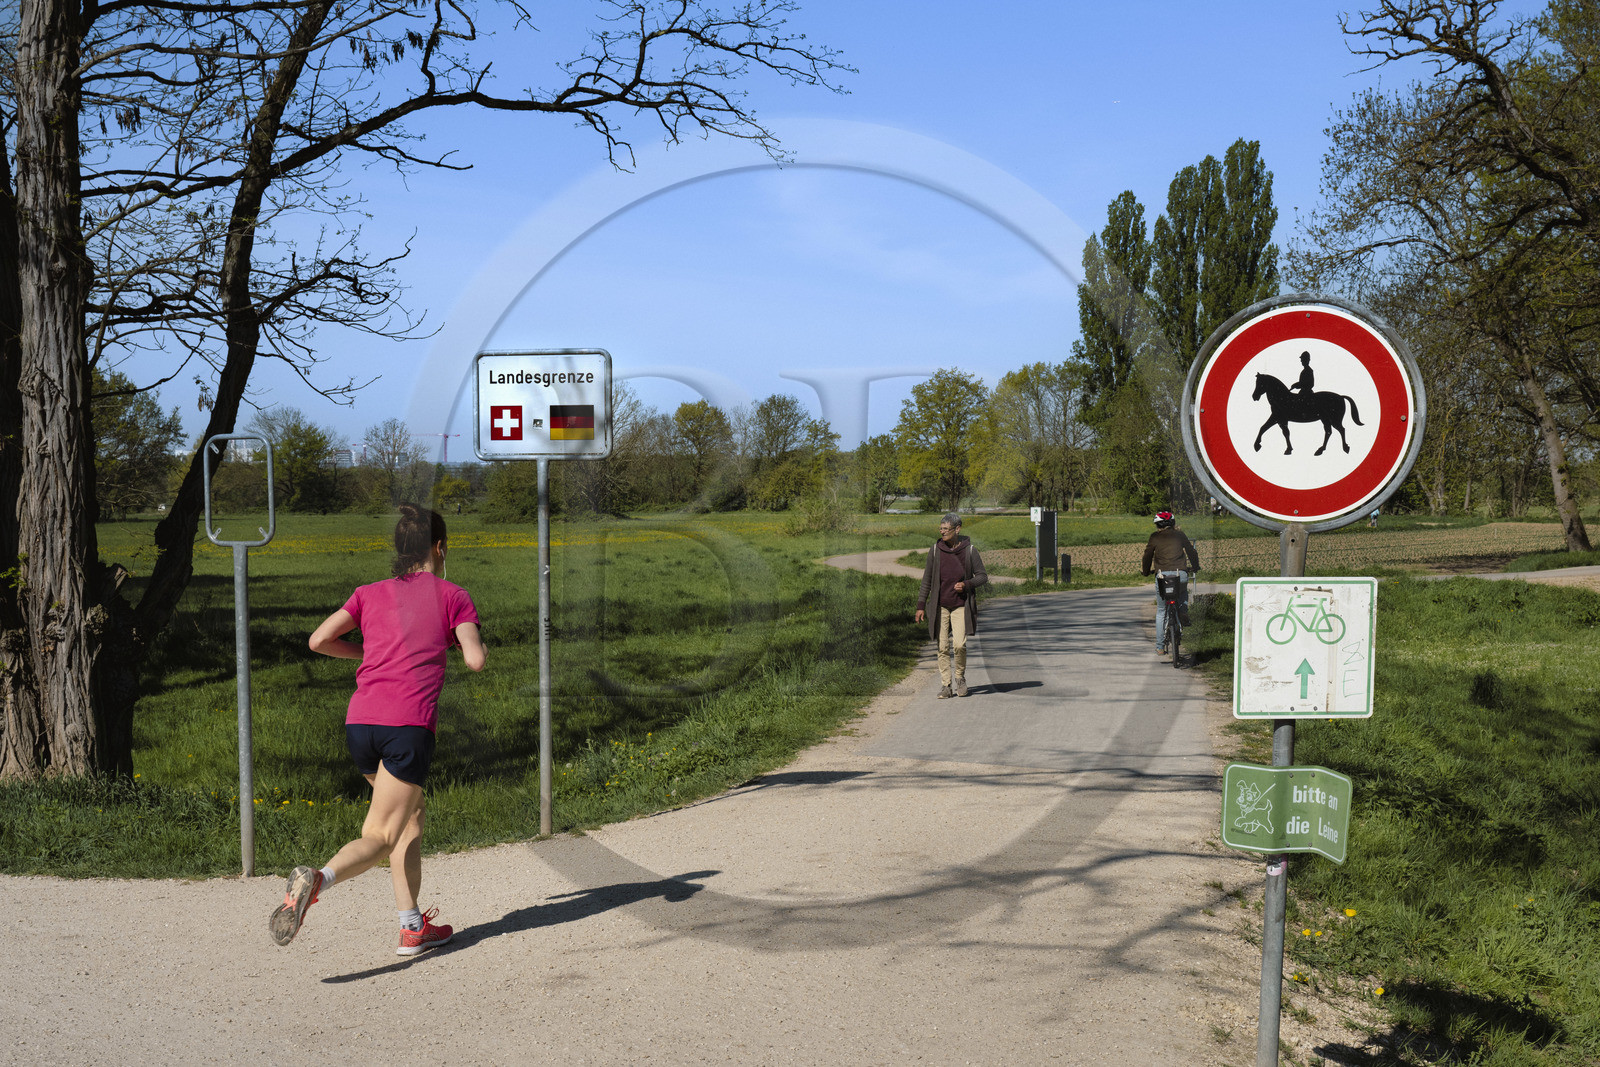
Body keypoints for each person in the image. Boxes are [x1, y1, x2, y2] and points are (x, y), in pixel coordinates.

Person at [271, 503, 486, 955]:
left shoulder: (368, 592)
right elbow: (475, 659)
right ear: (440, 547)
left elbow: (318, 640)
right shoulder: (453, 594)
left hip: (361, 724)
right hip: (408, 727)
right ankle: (316, 881)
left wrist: (367, 656)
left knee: (409, 815)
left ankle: (412, 926)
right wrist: (465, 638)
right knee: (381, 834)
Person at [914, 512, 989, 698]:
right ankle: (946, 686)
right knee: (942, 646)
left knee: (959, 645)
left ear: (957, 529)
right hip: (940, 606)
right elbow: (927, 580)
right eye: (941, 529)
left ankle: (960, 679)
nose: (942, 532)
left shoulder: (969, 551)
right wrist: (921, 605)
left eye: (946, 529)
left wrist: (966, 584)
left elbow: (982, 576)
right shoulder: (935, 550)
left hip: (960, 605)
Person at [1141, 510, 1200, 656]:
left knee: (1162, 611)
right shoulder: (1180, 535)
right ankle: (1183, 611)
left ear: (1157, 524)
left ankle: (1160, 646)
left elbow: (1147, 555)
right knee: (1182, 593)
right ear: (1172, 523)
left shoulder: (1155, 537)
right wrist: (1196, 566)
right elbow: (1191, 551)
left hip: (1162, 576)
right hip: (1181, 574)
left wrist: (1146, 571)